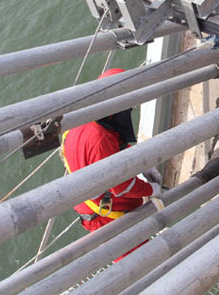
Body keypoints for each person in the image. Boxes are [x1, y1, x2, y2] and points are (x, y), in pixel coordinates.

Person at [61, 68, 163, 234]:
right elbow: (120, 185)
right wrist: (150, 189)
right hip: (106, 217)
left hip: (97, 207)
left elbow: (113, 152)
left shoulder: (84, 123)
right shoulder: (100, 139)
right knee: (139, 256)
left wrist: (142, 164)